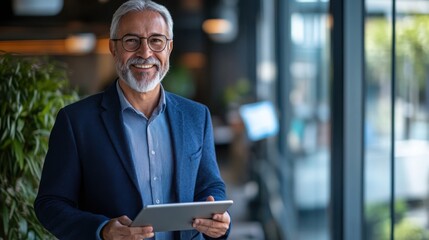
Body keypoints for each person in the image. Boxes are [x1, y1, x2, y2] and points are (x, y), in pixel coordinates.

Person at [34, 0, 231, 239]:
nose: (145, 52)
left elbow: (211, 186)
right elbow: (50, 204)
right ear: (113, 47)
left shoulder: (196, 116)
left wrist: (219, 219)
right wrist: (102, 230)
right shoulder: (76, 121)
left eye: (156, 40)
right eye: (131, 41)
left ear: (169, 47)